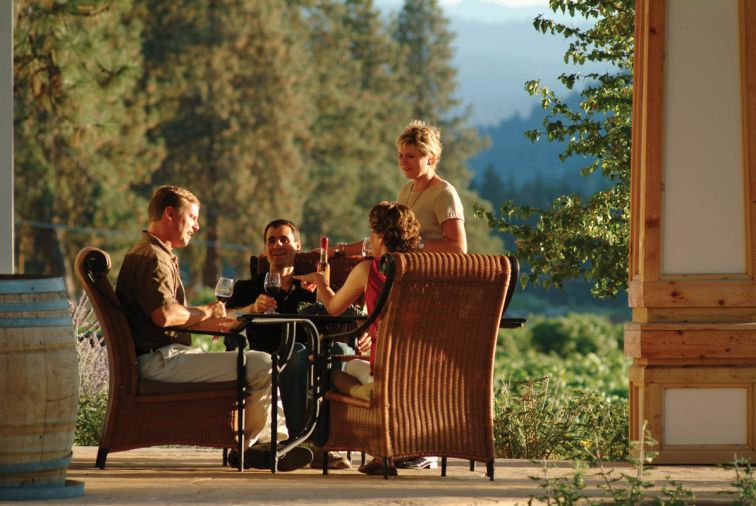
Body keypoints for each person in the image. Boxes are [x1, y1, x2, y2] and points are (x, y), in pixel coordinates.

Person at [115, 185, 312, 471]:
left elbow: (167, 317)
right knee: (263, 363)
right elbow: (165, 316)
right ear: (170, 213)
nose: (196, 226)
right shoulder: (152, 257)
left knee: (258, 363)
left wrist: (217, 320)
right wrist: (206, 310)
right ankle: (263, 445)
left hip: (164, 355)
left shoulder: (155, 253)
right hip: (159, 361)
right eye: (192, 217)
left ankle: (258, 445)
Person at [295, 201, 421, 476]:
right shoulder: (426, 270)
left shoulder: (370, 269)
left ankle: (332, 447)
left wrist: (320, 279)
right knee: (353, 363)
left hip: (385, 371)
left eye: (371, 233)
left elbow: (333, 307)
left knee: (335, 370)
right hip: (423, 373)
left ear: (380, 236)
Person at [225, 219, 351, 470]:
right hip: (269, 354)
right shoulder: (249, 288)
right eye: (271, 240)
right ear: (264, 248)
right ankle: (301, 442)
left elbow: (338, 315)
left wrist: (363, 334)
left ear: (298, 245)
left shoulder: (309, 287)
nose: (277, 245)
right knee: (296, 352)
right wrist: (250, 309)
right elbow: (223, 319)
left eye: (284, 239)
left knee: (341, 352)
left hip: (310, 353)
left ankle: (329, 441)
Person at [332, 119, 467, 257]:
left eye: (411, 156)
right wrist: (337, 251)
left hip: (428, 275)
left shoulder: (443, 193)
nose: (403, 162)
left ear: (430, 158)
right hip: (402, 271)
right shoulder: (406, 190)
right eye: (400, 155)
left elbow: (459, 248)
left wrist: (416, 243)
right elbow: (384, 239)